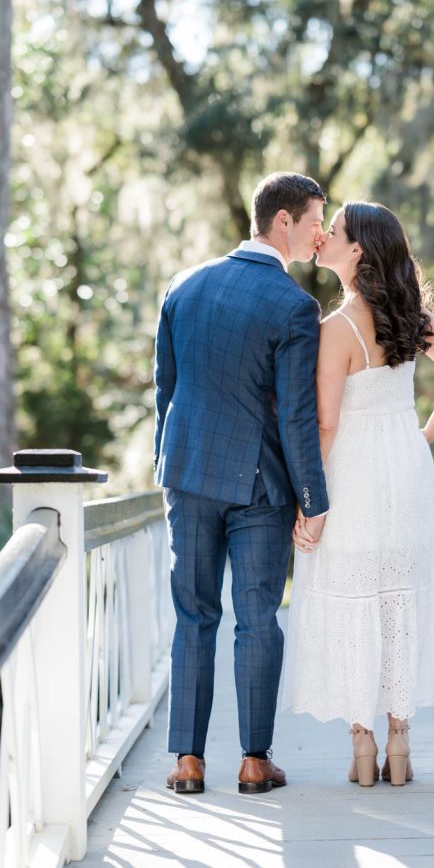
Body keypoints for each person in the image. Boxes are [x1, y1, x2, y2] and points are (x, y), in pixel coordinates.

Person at [283, 200, 434, 787]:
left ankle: (362, 747)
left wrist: (308, 505)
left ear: (358, 249)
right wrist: (423, 434)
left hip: (354, 471)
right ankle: (400, 740)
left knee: (352, 595)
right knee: (399, 597)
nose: (322, 238)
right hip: (406, 466)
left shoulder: (335, 330)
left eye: (333, 232)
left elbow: (325, 425)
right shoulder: (411, 315)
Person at [154, 172, 329, 795]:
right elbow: (298, 414)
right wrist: (313, 499)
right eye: (315, 222)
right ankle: (255, 762)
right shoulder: (294, 306)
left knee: (193, 614)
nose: (321, 234)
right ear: (282, 221)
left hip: (189, 476)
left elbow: (166, 392)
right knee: (257, 617)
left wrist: (165, 464)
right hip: (259, 484)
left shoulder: (184, 285)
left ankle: (187, 761)